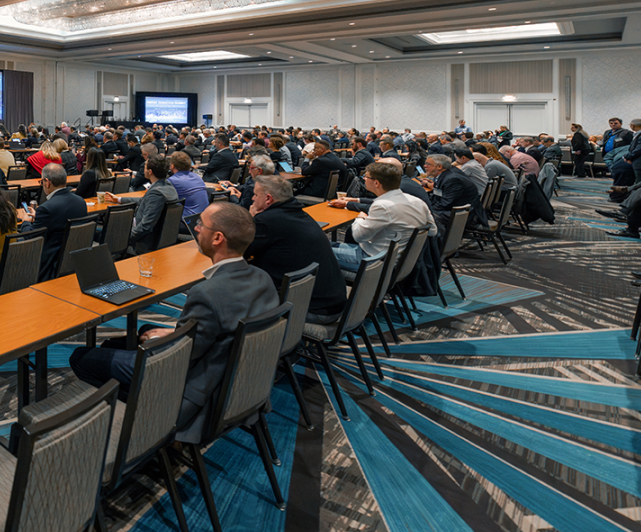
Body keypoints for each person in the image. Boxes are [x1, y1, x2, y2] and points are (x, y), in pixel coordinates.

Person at [68, 203, 279, 440]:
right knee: (130, 337)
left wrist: (164, 340)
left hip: (193, 390)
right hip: (231, 374)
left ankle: (149, 416)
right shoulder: (263, 278)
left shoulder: (206, 293)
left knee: (81, 357)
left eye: (201, 225)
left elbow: (181, 357)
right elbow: (216, 332)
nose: (196, 229)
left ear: (218, 238)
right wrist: (174, 334)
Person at [245, 176, 346, 322]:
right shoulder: (299, 212)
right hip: (331, 302)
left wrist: (251, 219)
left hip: (310, 309)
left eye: (255, 195)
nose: (253, 199)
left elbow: (239, 251)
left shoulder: (267, 221)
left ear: (268, 199)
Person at [328, 162, 434, 274]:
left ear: (376, 183)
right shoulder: (418, 202)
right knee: (323, 245)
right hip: (396, 261)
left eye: (366, 176)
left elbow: (359, 237)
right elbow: (432, 231)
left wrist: (360, 218)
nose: (363, 179)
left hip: (374, 263)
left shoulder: (382, 206)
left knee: (313, 252)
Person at [16, 164, 89, 281]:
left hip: (49, 262)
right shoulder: (80, 201)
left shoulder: (47, 208)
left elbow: (31, 237)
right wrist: (39, 216)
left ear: (47, 182)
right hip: (75, 260)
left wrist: (26, 222)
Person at [106, 155, 179, 254]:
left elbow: (146, 226)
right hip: (162, 237)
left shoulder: (156, 193)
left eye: (144, 167)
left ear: (150, 171)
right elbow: (144, 200)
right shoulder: (168, 186)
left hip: (145, 242)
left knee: (107, 228)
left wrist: (127, 237)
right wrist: (118, 199)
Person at [422, 153, 485, 238]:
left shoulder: (452, 179)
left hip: (466, 214)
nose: (425, 166)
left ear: (439, 167)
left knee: (428, 217)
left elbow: (445, 204)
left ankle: (439, 246)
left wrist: (426, 210)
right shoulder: (448, 174)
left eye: (428, 164)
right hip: (458, 208)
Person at [167, 151, 210, 227]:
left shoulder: (173, 180)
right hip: (204, 221)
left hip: (190, 223)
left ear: (172, 166)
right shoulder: (197, 177)